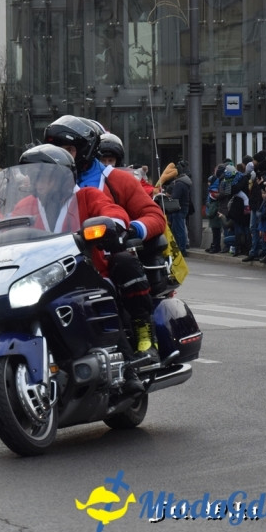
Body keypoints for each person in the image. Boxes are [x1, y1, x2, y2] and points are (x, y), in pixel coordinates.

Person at [44, 115, 166, 363]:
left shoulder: (116, 179)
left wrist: (131, 231)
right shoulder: (47, 185)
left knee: (124, 262)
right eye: (57, 151)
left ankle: (144, 334)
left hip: (106, 259)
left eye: (68, 150)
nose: (63, 157)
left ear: (86, 150)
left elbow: (154, 215)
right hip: (58, 262)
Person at [165, 160, 192, 256]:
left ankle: (181, 249)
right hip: (183, 207)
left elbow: (175, 196)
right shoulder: (185, 182)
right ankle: (181, 247)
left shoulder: (179, 183)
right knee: (180, 228)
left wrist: (169, 197)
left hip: (178, 208)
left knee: (179, 229)